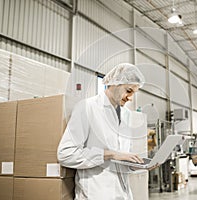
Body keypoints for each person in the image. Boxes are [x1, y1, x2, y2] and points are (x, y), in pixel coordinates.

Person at [57, 63, 154, 200]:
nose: (131, 97)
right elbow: (65, 154)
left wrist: (136, 165)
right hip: (95, 194)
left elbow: (121, 161)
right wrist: (109, 154)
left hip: (123, 194)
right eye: (129, 91)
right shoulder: (87, 108)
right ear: (115, 84)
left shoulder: (126, 115)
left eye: (134, 93)